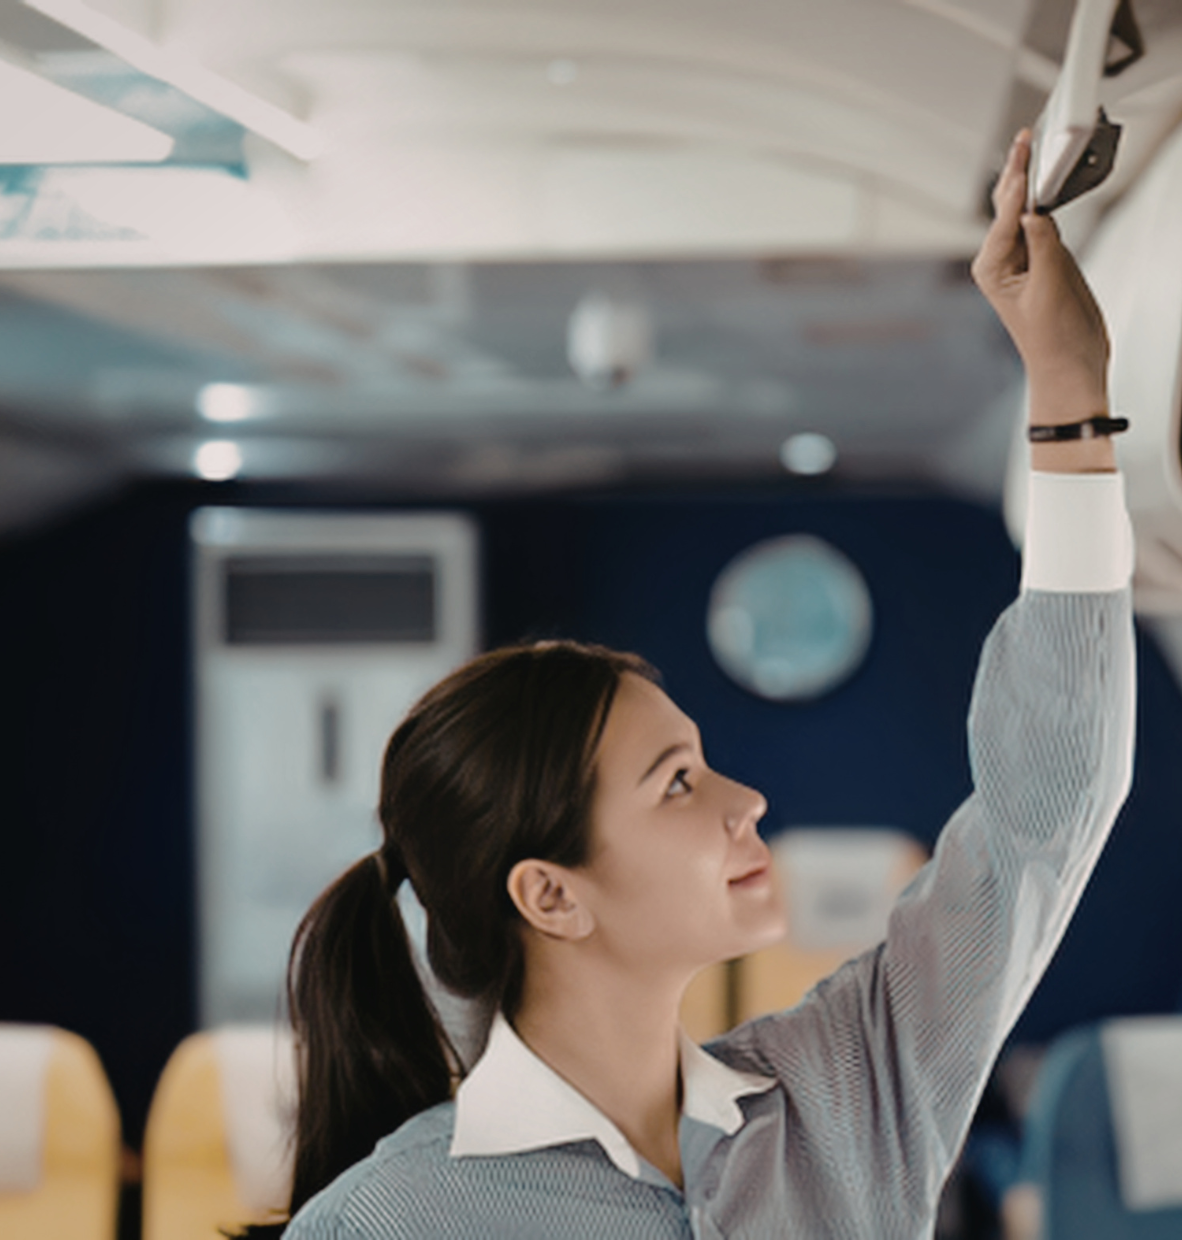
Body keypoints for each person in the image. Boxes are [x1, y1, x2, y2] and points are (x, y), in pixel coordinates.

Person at [267, 129, 1136, 1240]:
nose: (746, 800)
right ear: (550, 894)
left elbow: (1041, 811)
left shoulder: (842, 1092)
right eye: (676, 783)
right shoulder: (389, 1221)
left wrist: (1068, 389)